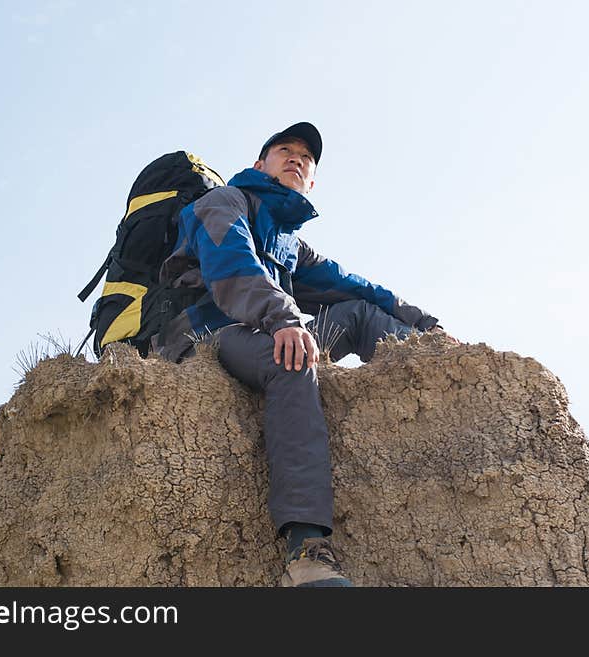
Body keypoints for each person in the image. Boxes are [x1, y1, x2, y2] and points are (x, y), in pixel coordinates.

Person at [156, 122, 455, 587]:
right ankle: (307, 551)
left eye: (306, 158)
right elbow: (234, 272)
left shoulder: (289, 242)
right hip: (204, 335)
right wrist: (287, 321)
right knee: (291, 361)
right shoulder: (222, 203)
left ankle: (447, 388)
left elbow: (353, 286)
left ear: (311, 181)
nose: (296, 158)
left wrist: (425, 325)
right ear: (260, 165)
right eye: (284, 150)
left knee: (357, 313)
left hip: (261, 329)